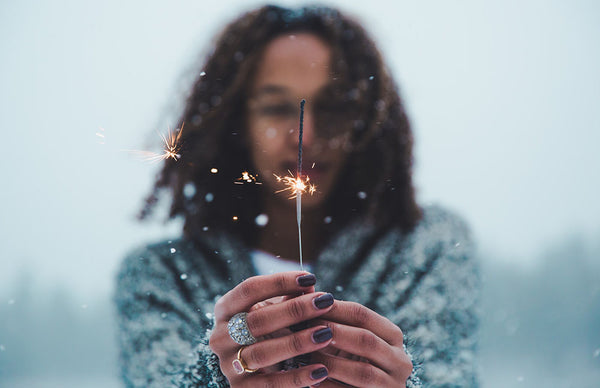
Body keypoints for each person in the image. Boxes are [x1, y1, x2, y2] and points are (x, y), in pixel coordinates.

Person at [114, 5, 479, 388]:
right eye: (276, 108)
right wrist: (211, 378)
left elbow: (450, 377)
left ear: (366, 120)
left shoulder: (426, 246)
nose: (305, 137)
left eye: (333, 107)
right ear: (236, 123)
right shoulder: (162, 276)